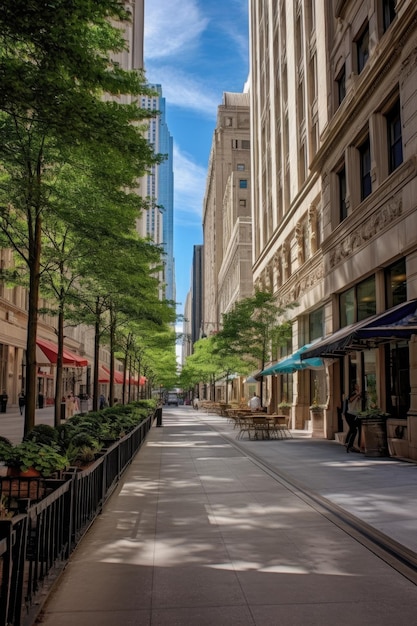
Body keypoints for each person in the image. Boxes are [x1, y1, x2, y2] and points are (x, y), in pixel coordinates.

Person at [344, 384, 362, 453]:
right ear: (355, 387)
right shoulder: (353, 393)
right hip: (350, 414)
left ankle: (347, 443)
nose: (359, 387)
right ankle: (349, 445)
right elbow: (350, 399)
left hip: (354, 414)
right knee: (354, 429)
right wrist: (357, 395)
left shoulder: (358, 394)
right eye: (357, 386)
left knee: (352, 429)